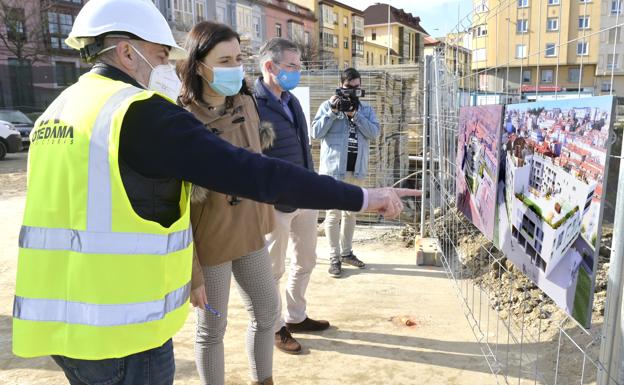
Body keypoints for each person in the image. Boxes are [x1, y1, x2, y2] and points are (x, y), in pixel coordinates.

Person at [12, 1, 417, 384]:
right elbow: (255, 172)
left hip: (67, 324)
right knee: (214, 327)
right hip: (120, 333)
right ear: (126, 52)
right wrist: (362, 198)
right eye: (159, 55)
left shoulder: (61, 108)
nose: (166, 65)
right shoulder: (140, 113)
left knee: (264, 308)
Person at [177, 22, 277, 385]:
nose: (235, 66)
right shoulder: (179, 117)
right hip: (210, 244)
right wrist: (192, 273)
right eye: (224, 59)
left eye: (238, 58)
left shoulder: (246, 102)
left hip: (250, 232)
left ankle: (262, 379)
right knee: (212, 327)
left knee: (268, 312)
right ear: (199, 64)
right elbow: (176, 205)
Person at [253, 38, 330, 355]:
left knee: (306, 260)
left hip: (304, 195)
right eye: (292, 66)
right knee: (272, 269)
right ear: (270, 66)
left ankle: (295, 316)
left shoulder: (292, 100)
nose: (297, 72)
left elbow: (303, 146)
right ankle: (273, 328)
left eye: (299, 66)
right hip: (275, 203)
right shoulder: (252, 104)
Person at [311, 68, 380, 278]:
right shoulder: (328, 106)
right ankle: (334, 257)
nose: (352, 92)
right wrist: (333, 113)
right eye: (349, 88)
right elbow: (315, 133)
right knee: (333, 215)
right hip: (333, 170)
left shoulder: (365, 110)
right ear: (341, 86)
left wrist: (355, 115)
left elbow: (375, 133)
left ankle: (347, 252)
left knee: (351, 213)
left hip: (355, 169)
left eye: (357, 88)